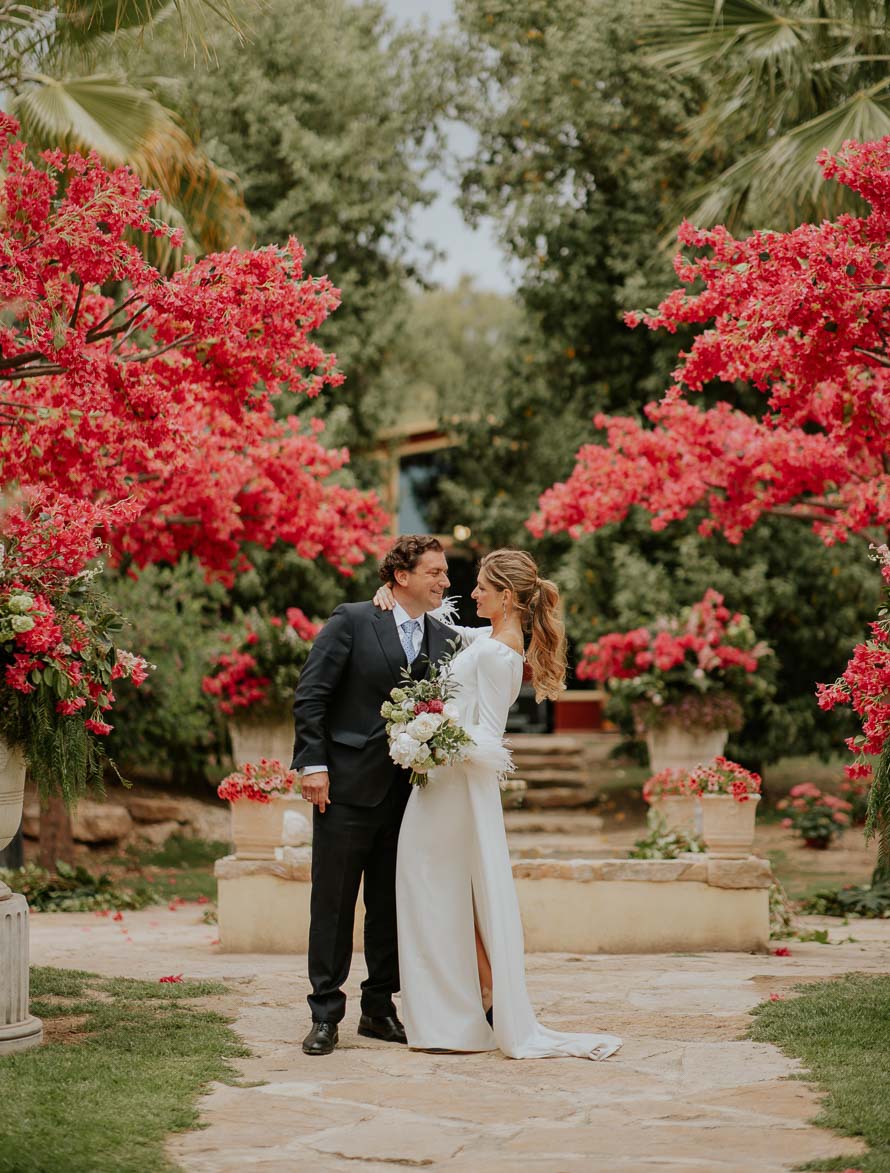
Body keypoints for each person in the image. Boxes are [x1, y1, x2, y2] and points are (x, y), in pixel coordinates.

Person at [374, 548, 622, 1061]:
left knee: (432, 890)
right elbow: (441, 626)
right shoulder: (491, 641)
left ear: (506, 596)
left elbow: (489, 737)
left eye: (483, 587)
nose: (473, 593)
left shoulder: (497, 654)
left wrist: (429, 736)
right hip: (443, 784)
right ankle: (464, 1006)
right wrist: (391, 597)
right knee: (441, 895)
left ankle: (454, 1019)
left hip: (455, 788)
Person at [292, 535, 457, 1057]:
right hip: (343, 788)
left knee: (390, 907)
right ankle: (324, 1014)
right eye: (434, 572)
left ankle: (379, 1009)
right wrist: (313, 764)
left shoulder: (444, 636)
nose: (444, 582)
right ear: (401, 577)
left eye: (446, 573)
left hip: (409, 796)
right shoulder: (354, 619)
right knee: (334, 905)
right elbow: (312, 694)